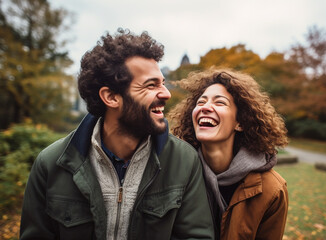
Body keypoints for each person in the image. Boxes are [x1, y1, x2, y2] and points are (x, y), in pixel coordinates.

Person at [20, 28, 214, 240]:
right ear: (111, 97)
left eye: (163, 83)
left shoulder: (184, 161)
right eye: (151, 85)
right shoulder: (50, 164)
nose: (166, 94)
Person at [169, 68, 289, 240]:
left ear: (240, 123)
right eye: (201, 102)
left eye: (219, 103)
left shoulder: (272, 190)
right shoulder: (175, 175)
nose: (206, 108)